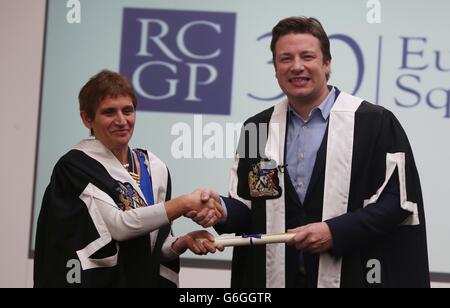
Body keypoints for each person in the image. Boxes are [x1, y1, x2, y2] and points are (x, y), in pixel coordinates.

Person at [196, 16, 430, 288]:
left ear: (326, 63)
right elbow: (251, 207)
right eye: (285, 58)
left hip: (352, 275)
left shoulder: (375, 122)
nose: (296, 67)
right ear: (275, 68)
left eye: (307, 56)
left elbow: (398, 203)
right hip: (276, 279)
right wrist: (220, 209)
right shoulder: (256, 128)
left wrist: (335, 231)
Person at [34, 70, 224, 288]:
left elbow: (154, 246)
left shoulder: (154, 167)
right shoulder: (75, 166)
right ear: (87, 118)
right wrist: (183, 203)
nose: (121, 120)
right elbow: (120, 226)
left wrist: (181, 243)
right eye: (109, 112)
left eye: (128, 110)